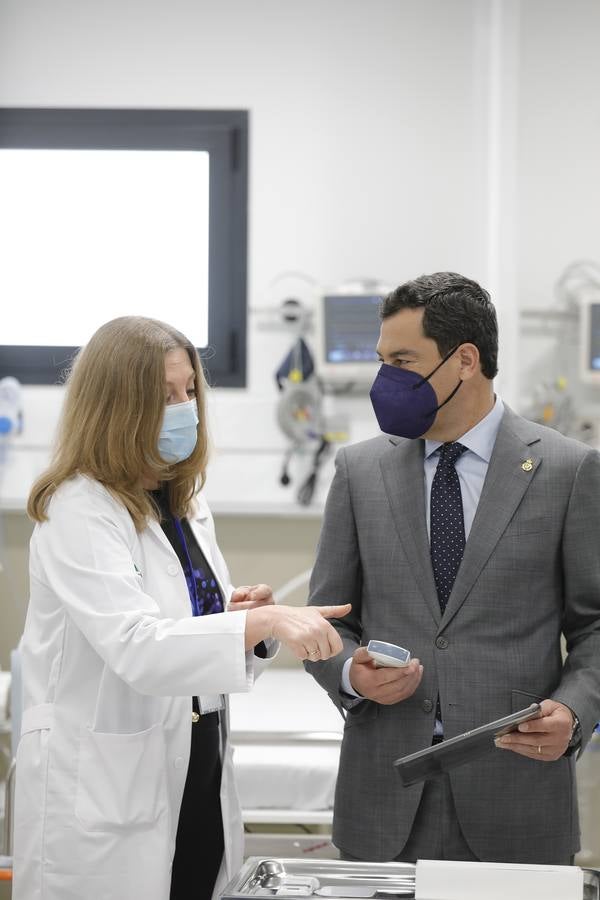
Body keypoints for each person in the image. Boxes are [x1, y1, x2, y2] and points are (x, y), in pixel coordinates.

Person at [12, 316, 350, 900]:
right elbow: (139, 648)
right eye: (164, 396)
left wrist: (240, 619)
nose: (184, 408)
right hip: (107, 793)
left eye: (188, 390)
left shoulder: (184, 506)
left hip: (196, 765)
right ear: (117, 407)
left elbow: (189, 636)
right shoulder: (79, 509)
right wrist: (257, 623)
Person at [305, 272, 600, 866]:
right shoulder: (360, 471)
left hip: (515, 791)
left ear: (465, 360)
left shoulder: (568, 471)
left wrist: (573, 712)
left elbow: (594, 627)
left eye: (403, 360)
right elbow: (328, 620)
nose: (386, 379)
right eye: (382, 360)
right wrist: (350, 676)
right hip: (384, 796)